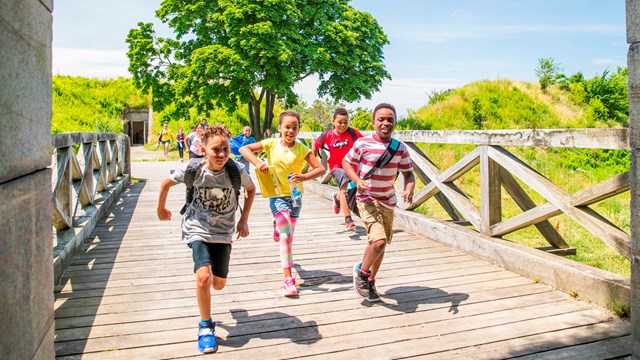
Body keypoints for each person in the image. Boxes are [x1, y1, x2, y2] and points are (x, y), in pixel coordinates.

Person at [157, 124, 256, 353]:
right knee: (203, 277)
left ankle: (210, 284)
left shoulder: (236, 170)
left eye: (225, 149)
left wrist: (244, 220)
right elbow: (165, 183)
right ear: (203, 149)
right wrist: (161, 208)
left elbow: (250, 190)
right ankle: (205, 325)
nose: (221, 155)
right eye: (215, 150)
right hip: (197, 227)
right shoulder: (194, 170)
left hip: (223, 232)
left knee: (218, 284)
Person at [239, 111, 325, 297]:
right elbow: (243, 150)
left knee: (288, 235)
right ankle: (288, 279)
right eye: (287, 127)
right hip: (277, 195)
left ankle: (277, 225)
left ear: (299, 129)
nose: (290, 131)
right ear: (279, 128)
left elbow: (320, 168)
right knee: (286, 236)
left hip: (295, 197)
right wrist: (257, 163)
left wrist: (303, 176)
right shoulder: (271, 143)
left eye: (294, 127)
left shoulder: (302, 148)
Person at [342, 103, 415, 303]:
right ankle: (362, 274)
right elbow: (346, 162)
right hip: (366, 199)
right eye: (381, 119)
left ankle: (371, 281)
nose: (385, 123)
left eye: (389, 120)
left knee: (380, 245)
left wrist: (408, 189)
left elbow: (409, 174)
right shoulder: (363, 144)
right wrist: (357, 181)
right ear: (373, 122)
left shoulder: (400, 148)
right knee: (379, 241)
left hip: (388, 202)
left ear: (395, 123)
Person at [312, 108, 363, 231]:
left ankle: (337, 197)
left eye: (346, 122)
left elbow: (364, 143)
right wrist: (313, 162)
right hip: (336, 167)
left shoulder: (353, 133)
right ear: (333, 121)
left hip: (352, 168)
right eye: (340, 122)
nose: (343, 125)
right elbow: (315, 146)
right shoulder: (327, 136)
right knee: (344, 188)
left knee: (346, 192)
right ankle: (348, 219)